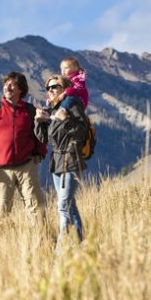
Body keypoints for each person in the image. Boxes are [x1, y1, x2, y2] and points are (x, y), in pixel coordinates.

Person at [0, 72, 47, 225]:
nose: (7, 87)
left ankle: (40, 246)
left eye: (12, 84)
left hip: (27, 167)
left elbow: (39, 134)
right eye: (5, 84)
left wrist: (40, 153)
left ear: (21, 89)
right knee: (1, 213)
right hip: (0, 170)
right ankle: (1, 248)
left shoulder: (30, 111)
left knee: (36, 209)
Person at [34, 75, 89, 247]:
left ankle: (60, 251)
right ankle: (80, 247)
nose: (49, 91)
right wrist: (39, 121)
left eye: (54, 87)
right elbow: (43, 138)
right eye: (48, 88)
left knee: (63, 205)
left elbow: (82, 131)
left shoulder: (73, 103)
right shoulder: (54, 109)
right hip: (57, 163)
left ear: (64, 88)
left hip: (71, 159)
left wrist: (63, 120)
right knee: (70, 206)